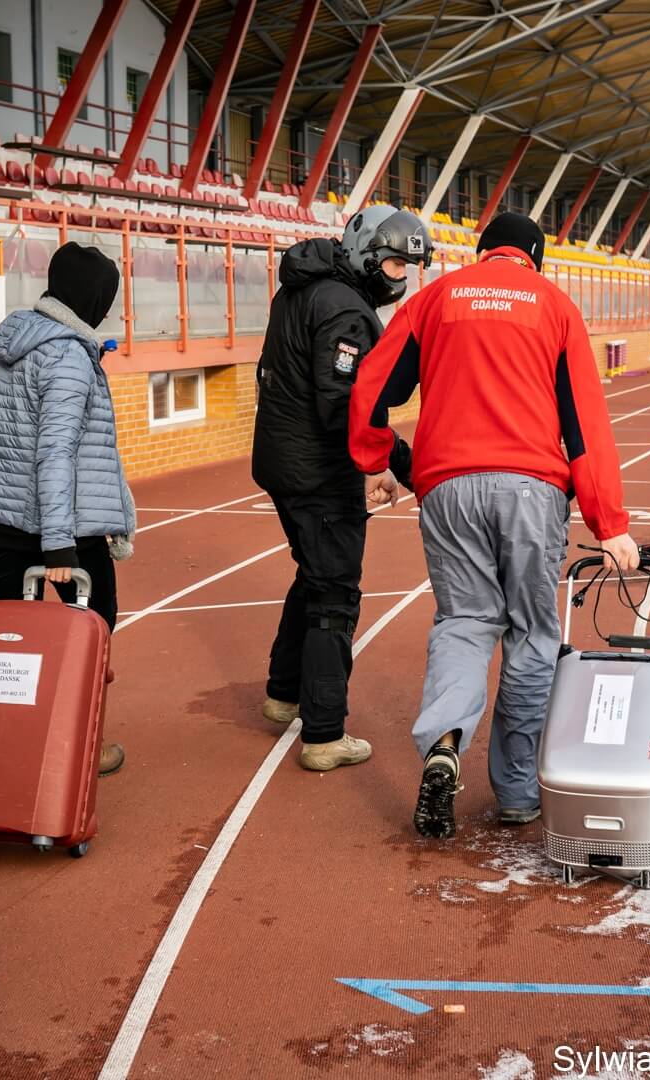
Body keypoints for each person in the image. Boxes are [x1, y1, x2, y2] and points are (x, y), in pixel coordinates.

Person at [349, 212, 638, 839]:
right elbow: (584, 424)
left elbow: (372, 385)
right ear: (534, 257)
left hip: (447, 486)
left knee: (464, 621)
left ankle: (444, 743)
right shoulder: (555, 306)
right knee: (531, 632)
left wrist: (376, 459)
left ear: (483, 252)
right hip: (531, 488)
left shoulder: (433, 299)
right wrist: (608, 521)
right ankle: (516, 791)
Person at [250, 206, 428, 772]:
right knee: (334, 596)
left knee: (313, 576)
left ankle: (283, 694)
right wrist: (401, 466)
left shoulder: (303, 287)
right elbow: (346, 403)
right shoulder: (345, 309)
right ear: (366, 254)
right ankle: (324, 734)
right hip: (318, 473)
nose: (400, 276)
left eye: (407, 267)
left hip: (283, 461)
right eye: (395, 263)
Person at [0, 242, 134, 777]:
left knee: (11, 642)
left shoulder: (14, 330)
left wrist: (11, 409)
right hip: (59, 526)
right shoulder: (70, 356)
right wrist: (59, 546)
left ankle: (14, 746)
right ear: (95, 300)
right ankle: (79, 746)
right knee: (93, 632)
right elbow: (56, 454)